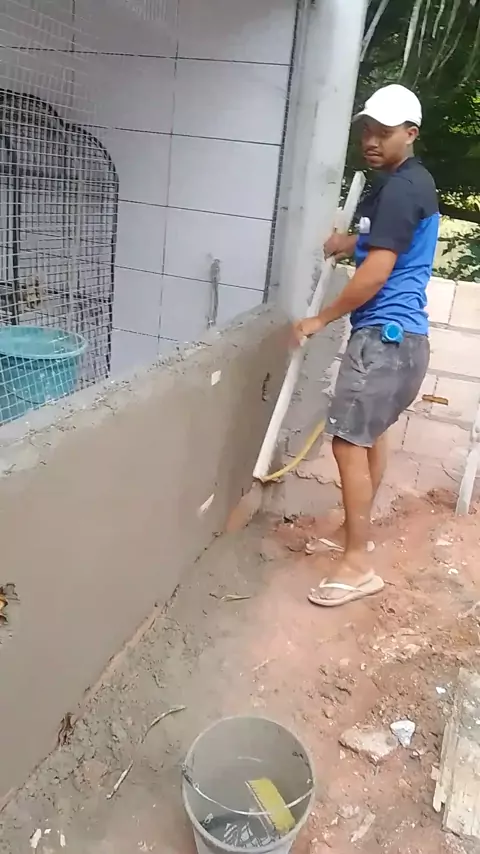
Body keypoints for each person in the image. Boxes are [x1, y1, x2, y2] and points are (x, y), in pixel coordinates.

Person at [293, 84, 439, 608]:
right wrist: (345, 243)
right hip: (406, 340)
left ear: (410, 134)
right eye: (368, 131)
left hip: (383, 338)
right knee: (370, 436)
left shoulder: (400, 189)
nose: (372, 141)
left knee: (347, 443)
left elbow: (377, 270)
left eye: (385, 132)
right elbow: (389, 240)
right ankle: (353, 536)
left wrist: (321, 318)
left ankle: (357, 564)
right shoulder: (410, 184)